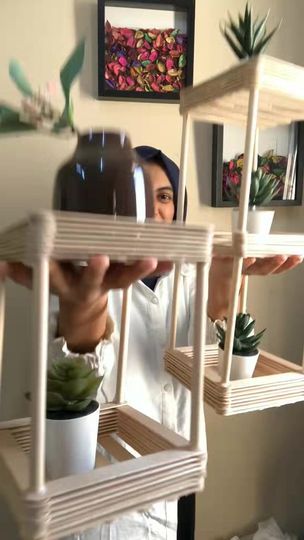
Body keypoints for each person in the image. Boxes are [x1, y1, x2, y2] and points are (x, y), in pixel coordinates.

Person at [0, 146, 302, 540]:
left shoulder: (195, 276)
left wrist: (228, 284)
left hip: (179, 476)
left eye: (163, 196)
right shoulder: (85, 274)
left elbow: (216, 360)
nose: (152, 208)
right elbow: (75, 360)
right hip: (109, 488)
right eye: (137, 193)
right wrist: (88, 308)